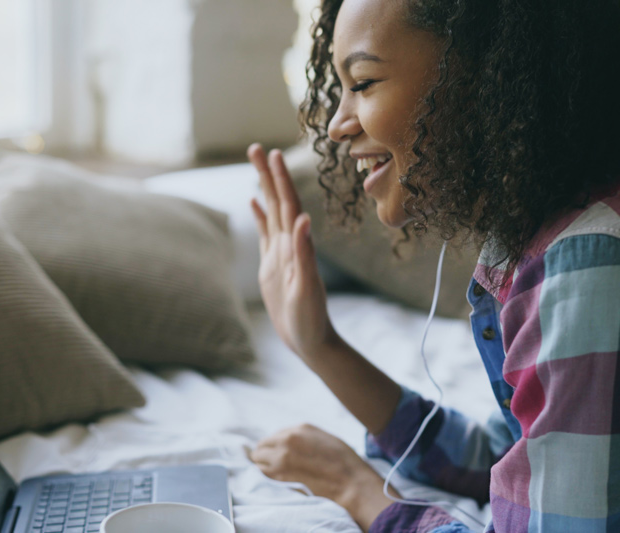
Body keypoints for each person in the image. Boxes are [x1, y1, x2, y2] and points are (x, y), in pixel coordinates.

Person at [246, 0, 620, 531]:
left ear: (481, 69)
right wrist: (318, 345)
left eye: (364, 82)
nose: (335, 126)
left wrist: (362, 493)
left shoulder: (586, 264)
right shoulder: (551, 233)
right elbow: (503, 449)